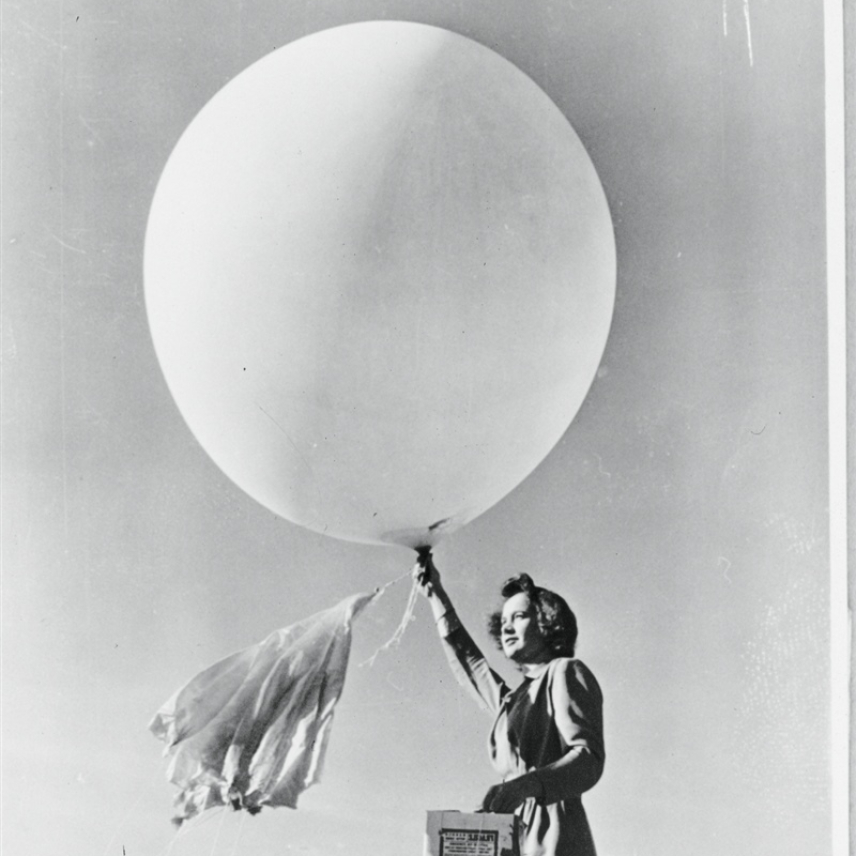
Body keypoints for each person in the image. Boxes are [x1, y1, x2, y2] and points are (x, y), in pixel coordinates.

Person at [414, 551, 604, 856]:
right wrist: (435, 594)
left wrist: (526, 786)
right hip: (511, 834)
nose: (506, 627)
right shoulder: (512, 700)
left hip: (553, 835)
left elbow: (588, 759)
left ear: (546, 622)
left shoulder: (564, 671)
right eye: (502, 620)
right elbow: (471, 664)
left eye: (518, 616)